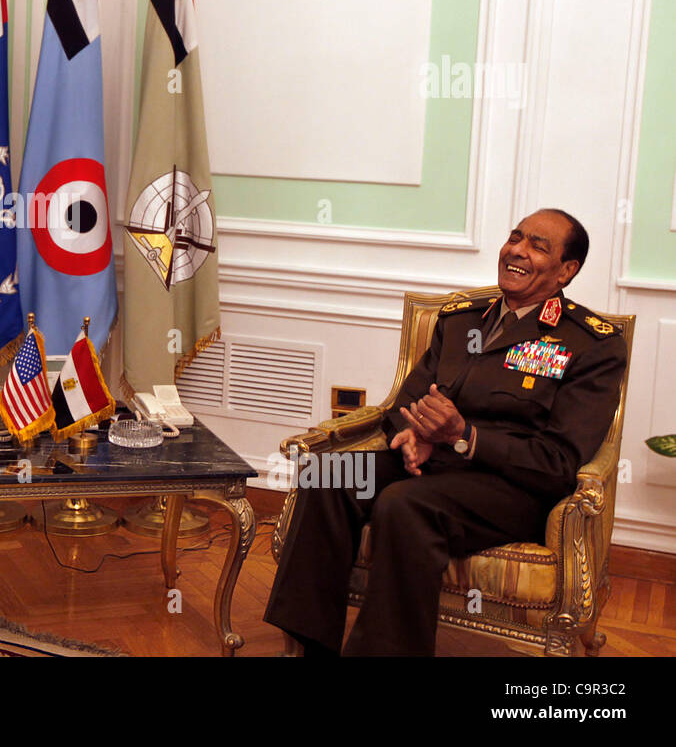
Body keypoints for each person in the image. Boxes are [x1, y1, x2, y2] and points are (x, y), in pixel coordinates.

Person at [264, 209, 628, 656]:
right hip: (430, 463)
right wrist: (411, 434)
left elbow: (559, 460)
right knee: (328, 472)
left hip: (511, 488)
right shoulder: (461, 320)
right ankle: (309, 646)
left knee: (404, 504)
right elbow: (403, 403)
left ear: (566, 270)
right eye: (515, 237)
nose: (517, 250)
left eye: (537, 245)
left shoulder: (590, 343)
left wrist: (464, 435)